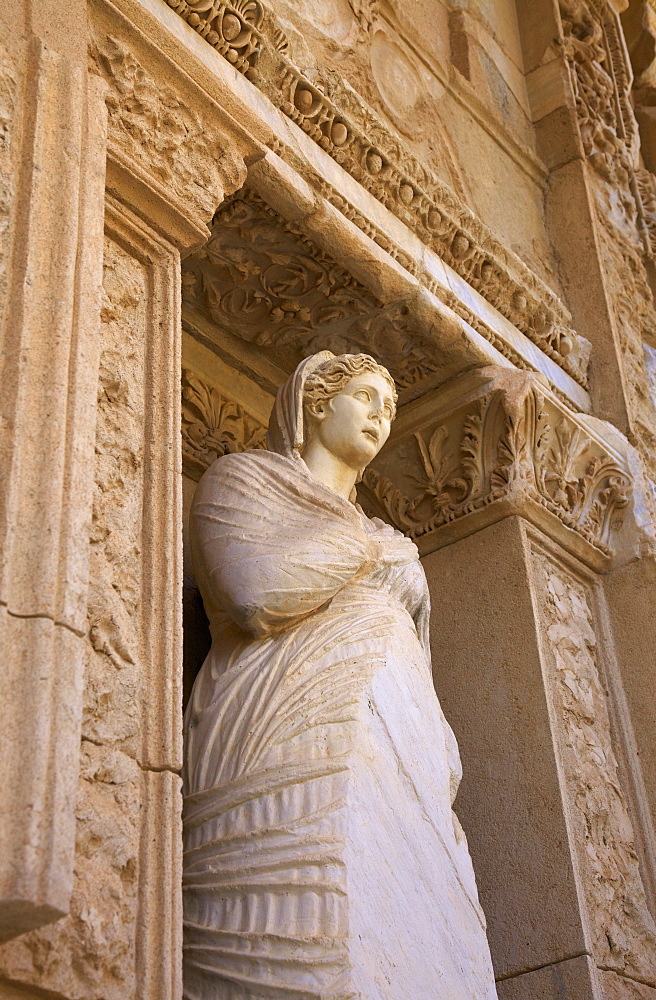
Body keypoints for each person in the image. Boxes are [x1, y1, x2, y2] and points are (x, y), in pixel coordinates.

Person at [183, 351, 497, 1000]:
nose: (382, 419)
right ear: (317, 403)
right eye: (366, 399)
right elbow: (252, 591)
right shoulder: (243, 481)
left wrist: (439, 769)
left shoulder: (395, 542)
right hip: (274, 739)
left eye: (391, 409)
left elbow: (420, 673)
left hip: (395, 768)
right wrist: (365, 549)